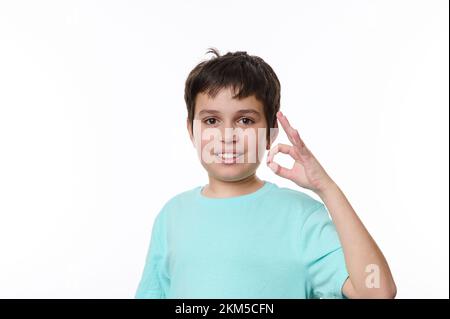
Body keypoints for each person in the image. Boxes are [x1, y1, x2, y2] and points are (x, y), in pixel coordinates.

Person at [135, 48, 397, 299]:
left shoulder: (301, 218)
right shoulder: (172, 216)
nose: (228, 137)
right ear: (191, 130)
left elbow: (376, 290)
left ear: (271, 132)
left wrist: (327, 188)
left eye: (245, 120)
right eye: (211, 121)